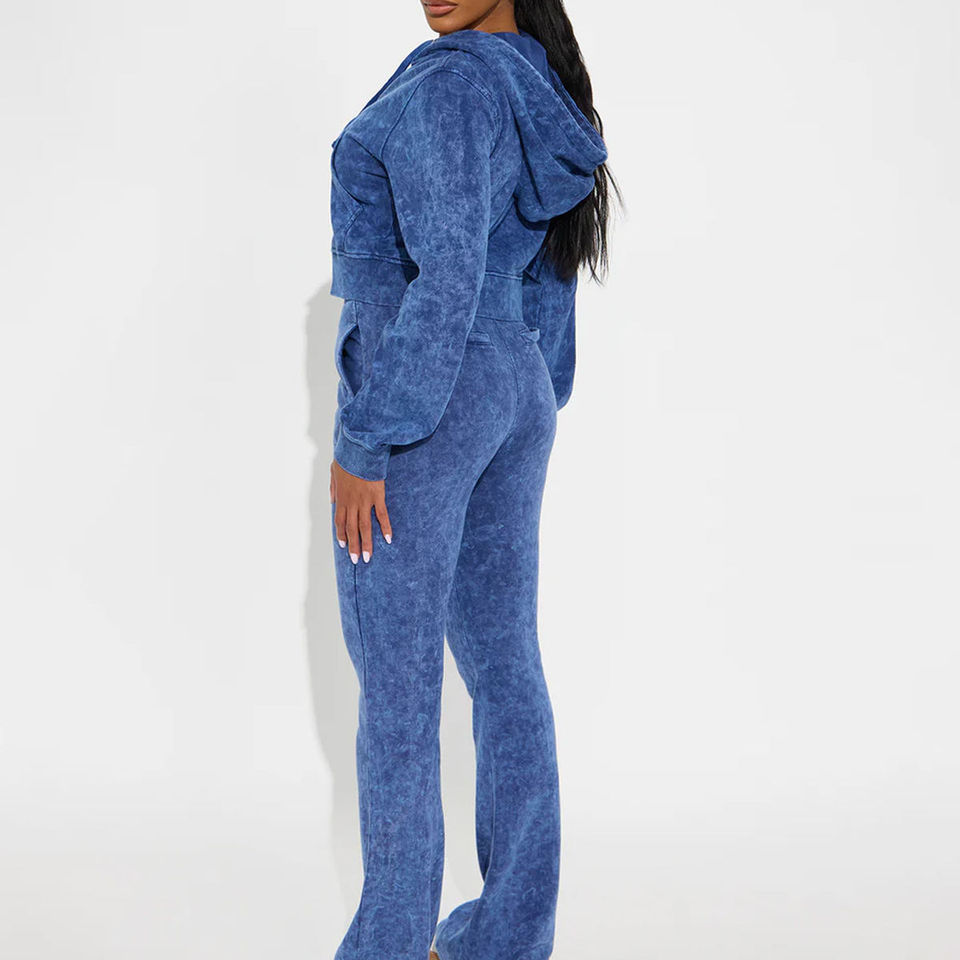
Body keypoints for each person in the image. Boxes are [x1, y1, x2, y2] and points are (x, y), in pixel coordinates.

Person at [327, 3, 617, 959]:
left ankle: (387, 946)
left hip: (429, 395)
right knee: (504, 667)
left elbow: (444, 275)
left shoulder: (453, 83)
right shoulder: (540, 89)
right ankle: (507, 938)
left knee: (399, 690)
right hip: (511, 384)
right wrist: (530, 391)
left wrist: (369, 436)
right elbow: (546, 276)